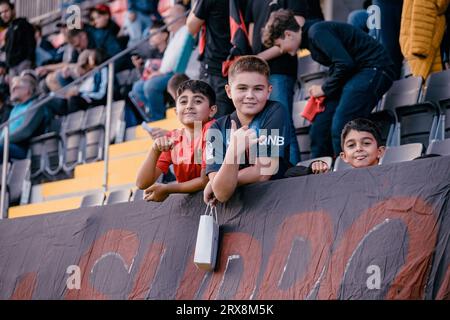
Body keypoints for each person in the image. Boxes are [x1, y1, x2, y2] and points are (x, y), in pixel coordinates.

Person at [262, 9, 395, 158]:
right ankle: (320, 172)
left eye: (279, 45)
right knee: (320, 128)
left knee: (342, 124)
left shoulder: (317, 32)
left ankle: (346, 172)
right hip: (355, 73)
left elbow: (345, 64)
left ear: (288, 35)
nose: (281, 50)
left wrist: (324, 89)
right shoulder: (311, 38)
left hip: (374, 68)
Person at [203, 56, 291, 204]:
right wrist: (234, 151)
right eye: (242, 88)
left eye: (258, 89)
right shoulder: (216, 128)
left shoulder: (275, 111)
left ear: (269, 91)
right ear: (229, 91)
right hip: (235, 213)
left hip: (277, 201)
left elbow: (263, 173)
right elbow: (222, 194)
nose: (250, 95)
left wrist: (219, 181)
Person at [136, 80, 217, 202]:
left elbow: (204, 181)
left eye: (198, 101)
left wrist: (167, 188)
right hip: (190, 203)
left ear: (212, 110)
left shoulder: (213, 129)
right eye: (183, 102)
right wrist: (155, 150)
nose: (189, 106)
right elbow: (141, 183)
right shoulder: (173, 138)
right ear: (175, 111)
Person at [0, 75, 46, 162]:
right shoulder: (15, 109)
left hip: (22, 148)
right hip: (6, 145)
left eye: (16, 88)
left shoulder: (35, 105)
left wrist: (3, 140)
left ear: (27, 90)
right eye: (12, 88)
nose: (12, 90)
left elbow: (26, 131)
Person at [0, 0, 36, 77]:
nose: (3, 15)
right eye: (1, 13)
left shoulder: (23, 24)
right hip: (11, 68)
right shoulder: (8, 30)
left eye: (6, 11)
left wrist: (28, 61)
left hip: (23, 64)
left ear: (13, 10)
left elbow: (31, 44)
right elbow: (7, 51)